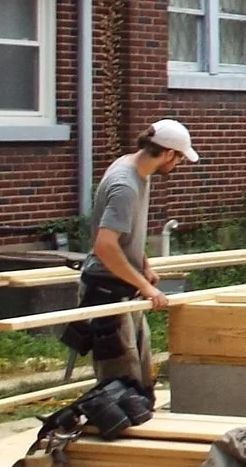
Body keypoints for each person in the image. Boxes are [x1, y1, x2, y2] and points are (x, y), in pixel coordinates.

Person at [79, 119, 198, 388]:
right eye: (179, 158)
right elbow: (105, 245)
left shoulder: (137, 171)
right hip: (106, 289)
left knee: (143, 375)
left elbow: (125, 235)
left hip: (124, 283)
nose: (179, 164)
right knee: (121, 381)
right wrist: (146, 287)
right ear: (168, 153)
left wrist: (144, 265)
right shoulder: (126, 186)